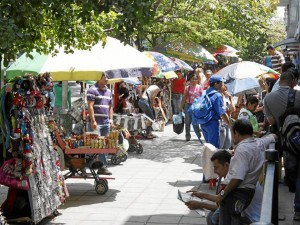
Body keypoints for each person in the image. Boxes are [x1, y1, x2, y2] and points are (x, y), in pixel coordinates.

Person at [216, 119, 277, 225]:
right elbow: (273, 137)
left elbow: (238, 177)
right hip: (247, 191)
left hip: (237, 192)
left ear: (236, 133)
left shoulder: (242, 149)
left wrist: (223, 194)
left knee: (228, 219)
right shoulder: (260, 143)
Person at [186, 150, 263, 225]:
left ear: (226, 165)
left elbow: (223, 208)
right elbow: (221, 201)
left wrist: (201, 204)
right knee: (213, 216)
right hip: (242, 214)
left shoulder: (234, 181)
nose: (214, 171)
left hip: (251, 220)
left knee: (214, 218)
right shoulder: (234, 177)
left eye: (216, 167)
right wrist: (201, 195)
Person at [263, 70, 300, 221]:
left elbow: (271, 122)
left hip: (284, 142)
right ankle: (298, 209)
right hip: (299, 138)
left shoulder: (268, 98)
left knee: (292, 171)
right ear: (293, 82)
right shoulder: (298, 95)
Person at [87, 75, 113, 175]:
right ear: (99, 77)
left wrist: (111, 119)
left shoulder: (109, 91)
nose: (107, 79)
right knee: (95, 145)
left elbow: (110, 107)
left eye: (107, 77)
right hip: (96, 123)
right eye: (104, 77)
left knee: (105, 145)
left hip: (106, 122)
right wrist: (93, 121)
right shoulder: (92, 90)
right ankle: (92, 164)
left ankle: (103, 166)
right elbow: (90, 106)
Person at [200, 75, 230, 148]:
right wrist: (229, 123)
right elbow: (221, 112)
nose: (222, 85)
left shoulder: (204, 93)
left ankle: (209, 159)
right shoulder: (217, 95)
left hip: (203, 122)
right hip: (212, 123)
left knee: (208, 146)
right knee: (214, 148)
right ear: (216, 84)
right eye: (221, 83)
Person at [180, 74, 202, 141]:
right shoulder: (187, 87)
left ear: (197, 80)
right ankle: (187, 136)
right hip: (188, 105)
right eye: (193, 79)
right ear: (190, 80)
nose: (194, 80)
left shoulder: (199, 87)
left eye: (195, 79)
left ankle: (198, 133)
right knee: (187, 121)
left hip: (196, 106)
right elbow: (184, 97)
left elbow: (202, 98)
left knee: (195, 121)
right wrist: (181, 107)